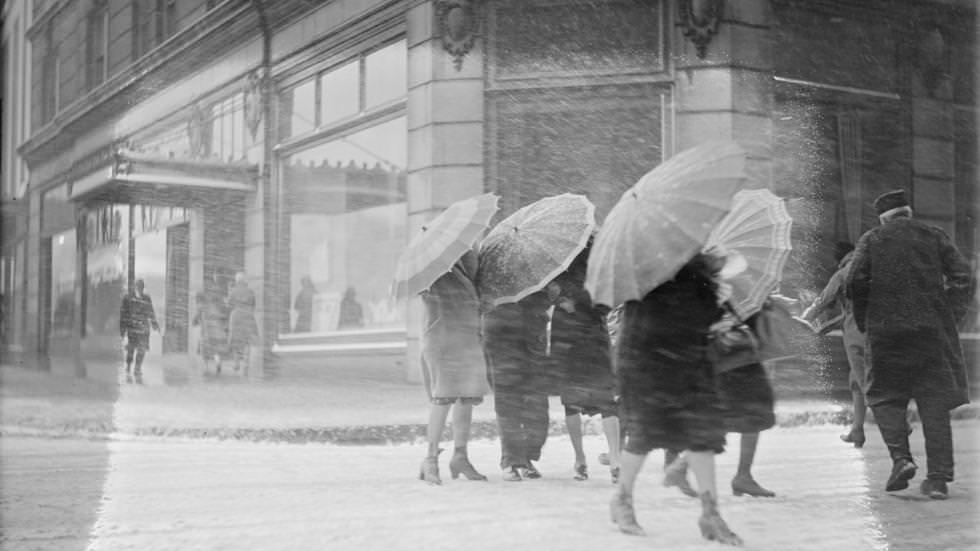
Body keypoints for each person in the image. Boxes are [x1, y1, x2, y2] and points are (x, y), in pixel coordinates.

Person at [847, 189, 973, 500]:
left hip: (887, 333)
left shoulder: (872, 239)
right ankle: (938, 479)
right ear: (909, 213)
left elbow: (854, 283)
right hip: (931, 333)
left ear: (883, 218)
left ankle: (901, 459)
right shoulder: (934, 235)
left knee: (885, 397)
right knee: (934, 403)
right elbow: (963, 278)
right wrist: (948, 314)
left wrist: (867, 321)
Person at [610, 253, 741, 545]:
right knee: (645, 434)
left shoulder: (697, 265)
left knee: (701, 435)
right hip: (648, 362)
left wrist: (718, 308)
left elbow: (701, 313)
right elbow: (656, 318)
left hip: (691, 362)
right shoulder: (647, 266)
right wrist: (708, 307)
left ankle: (711, 513)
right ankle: (622, 499)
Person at [663, 298, 778, 499]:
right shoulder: (727, 282)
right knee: (742, 413)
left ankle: (741, 475)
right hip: (734, 355)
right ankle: (684, 466)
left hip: (727, 355)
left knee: (746, 414)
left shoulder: (712, 281)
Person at [418, 249, 492, 485]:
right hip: (442, 339)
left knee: (467, 397)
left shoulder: (469, 263)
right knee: (443, 398)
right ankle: (430, 459)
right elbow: (427, 295)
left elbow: (474, 298)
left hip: (466, 338)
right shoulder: (431, 267)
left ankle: (460, 456)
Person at [549, 244, 621, 483]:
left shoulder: (557, 259)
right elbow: (606, 304)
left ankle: (580, 460)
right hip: (594, 338)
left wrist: (567, 302)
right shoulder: (601, 261)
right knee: (606, 400)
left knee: (572, 403)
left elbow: (551, 295)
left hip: (568, 340)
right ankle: (615, 460)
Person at [483, 285, 556, 481]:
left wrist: (550, 297)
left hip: (533, 339)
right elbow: (482, 300)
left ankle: (527, 455)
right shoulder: (492, 268)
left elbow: (548, 298)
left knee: (538, 406)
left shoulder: (537, 268)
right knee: (508, 403)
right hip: (501, 338)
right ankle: (511, 460)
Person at [801, 247, 871, 447]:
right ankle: (857, 430)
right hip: (878, 334)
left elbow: (823, 301)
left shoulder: (843, 273)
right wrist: (824, 328)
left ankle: (897, 424)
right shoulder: (871, 272)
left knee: (864, 382)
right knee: (858, 382)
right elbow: (848, 313)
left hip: (857, 336)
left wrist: (802, 321)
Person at [120, 278, 159, 383]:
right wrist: (123, 329)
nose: (139, 289)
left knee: (141, 348)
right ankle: (129, 365)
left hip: (143, 328)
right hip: (132, 327)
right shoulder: (128, 298)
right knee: (131, 348)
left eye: (141, 287)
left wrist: (154, 324)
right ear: (134, 287)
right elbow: (123, 314)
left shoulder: (146, 298)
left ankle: (137, 367)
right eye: (138, 286)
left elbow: (151, 311)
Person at [226, 272, 259, 372]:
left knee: (235, 340)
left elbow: (229, 304)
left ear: (237, 280)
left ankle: (236, 363)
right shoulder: (250, 291)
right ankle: (246, 363)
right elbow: (253, 305)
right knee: (247, 341)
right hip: (248, 316)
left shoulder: (233, 291)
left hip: (236, 317)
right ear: (244, 280)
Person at [192, 290, 228, 374]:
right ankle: (217, 362)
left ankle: (206, 367)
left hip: (207, 331)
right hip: (216, 329)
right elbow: (220, 316)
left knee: (205, 348)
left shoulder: (200, 306)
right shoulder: (212, 306)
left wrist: (194, 322)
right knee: (215, 349)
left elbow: (196, 318)